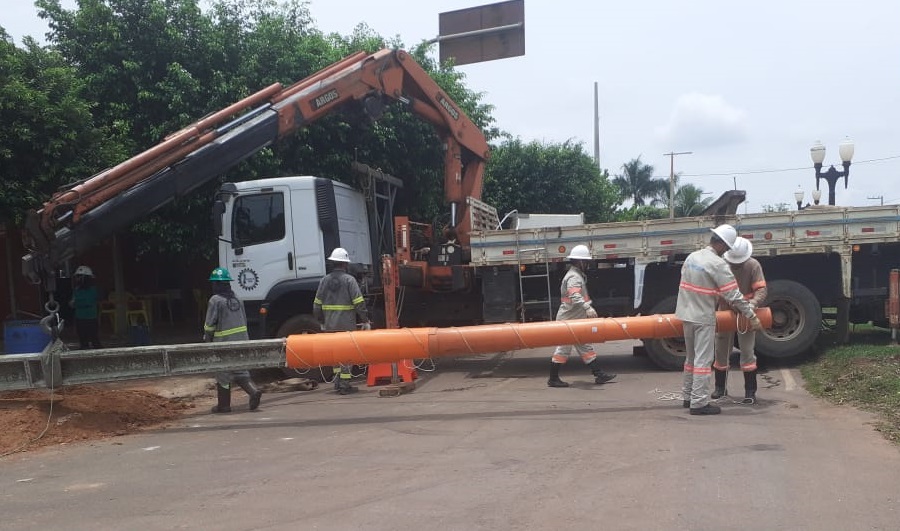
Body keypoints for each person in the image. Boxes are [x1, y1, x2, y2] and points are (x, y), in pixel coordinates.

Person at [676, 225, 763, 415]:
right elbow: (734, 295)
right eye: (727, 247)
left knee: (690, 358)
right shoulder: (718, 264)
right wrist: (752, 315)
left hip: (685, 315)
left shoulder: (693, 257)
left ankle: (688, 396)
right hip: (702, 317)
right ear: (722, 244)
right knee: (703, 360)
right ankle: (698, 403)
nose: (727, 251)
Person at [547, 244, 617, 388]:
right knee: (563, 349)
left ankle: (599, 374)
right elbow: (574, 295)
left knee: (585, 346)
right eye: (586, 262)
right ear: (580, 262)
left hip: (574, 319)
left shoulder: (576, 274)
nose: (587, 264)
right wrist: (587, 307)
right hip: (568, 320)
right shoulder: (574, 277)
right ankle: (553, 379)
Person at [712, 237, 767, 404]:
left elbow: (761, 290)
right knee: (721, 350)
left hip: (746, 313)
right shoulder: (721, 265)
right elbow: (715, 289)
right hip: (725, 311)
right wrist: (728, 301)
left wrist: (751, 305)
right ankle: (720, 388)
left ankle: (750, 392)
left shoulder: (753, 265)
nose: (736, 265)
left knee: (747, 352)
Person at [203, 267, 262, 413]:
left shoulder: (215, 300)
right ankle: (253, 391)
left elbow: (209, 325)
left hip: (224, 342)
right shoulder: (237, 298)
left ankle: (224, 405)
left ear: (216, 285)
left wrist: (208, 340)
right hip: (242, 341)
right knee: (240, 370)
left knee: (223, 372)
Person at [313, 248, 370, 395]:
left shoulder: (324, 280)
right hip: (346, 325)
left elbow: (317, 304)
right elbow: (359, 302)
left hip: (329, 325)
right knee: (346, 355)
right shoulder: (349, 280)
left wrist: (320, 320)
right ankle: (345, 385)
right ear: (345, 265)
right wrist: (365, 320)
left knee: (335, 355)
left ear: (333, 263)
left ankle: (337, 383)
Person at [69, 265, 102, 349]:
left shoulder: (93, 289)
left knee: (95, 340)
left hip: (91, 317)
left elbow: (88, 302)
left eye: (79, 277)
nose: (77, 279)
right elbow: (72, 303)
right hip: (80, 318)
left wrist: (77, 303)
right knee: (83, 341)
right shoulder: (76, 290)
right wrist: (75, 303)